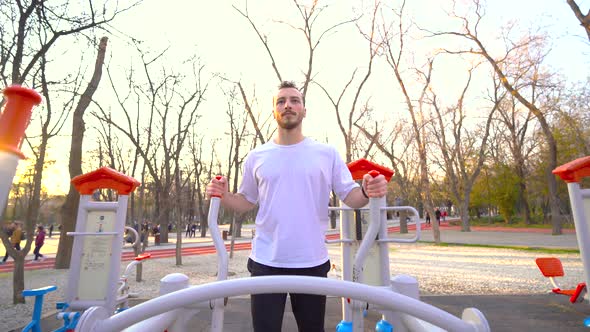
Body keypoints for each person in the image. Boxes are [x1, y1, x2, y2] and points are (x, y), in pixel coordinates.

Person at [206, 81, 388, 332]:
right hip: (266, 262)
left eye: (294, 100)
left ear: (304, 110)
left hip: (311, 262)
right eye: (281, 101)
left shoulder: (326, 153)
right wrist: (223, 195)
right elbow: (245, 201)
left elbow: (352, 197)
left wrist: (368, 190)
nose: (288, 105)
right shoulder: (257, 156)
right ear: (274, 112)